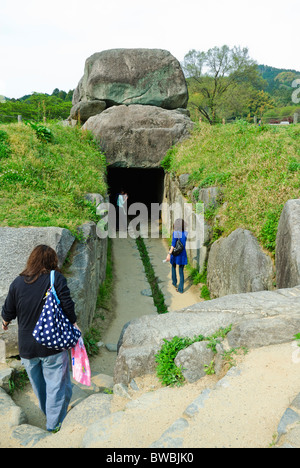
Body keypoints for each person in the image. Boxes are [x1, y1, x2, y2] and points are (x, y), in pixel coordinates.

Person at [1, 245, 78, 432]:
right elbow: (68, 308)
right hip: (52, 345)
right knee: (56, 386)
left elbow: (7, 313)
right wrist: (74, 323)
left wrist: (5, 322)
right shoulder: (55, 279)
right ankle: (54, 425)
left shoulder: (17, 283)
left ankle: (49, 415)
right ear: (51, 261)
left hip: (26, 348)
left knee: (40, 387)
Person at [165, 219, 188, 294]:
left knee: (173, 266)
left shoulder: (175, 233)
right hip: (182, 254)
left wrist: (169, 254)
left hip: (175, 253)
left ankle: (174, 282)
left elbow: (173, 245)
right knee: (181, 271)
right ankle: (181, 289)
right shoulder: (185, 233)